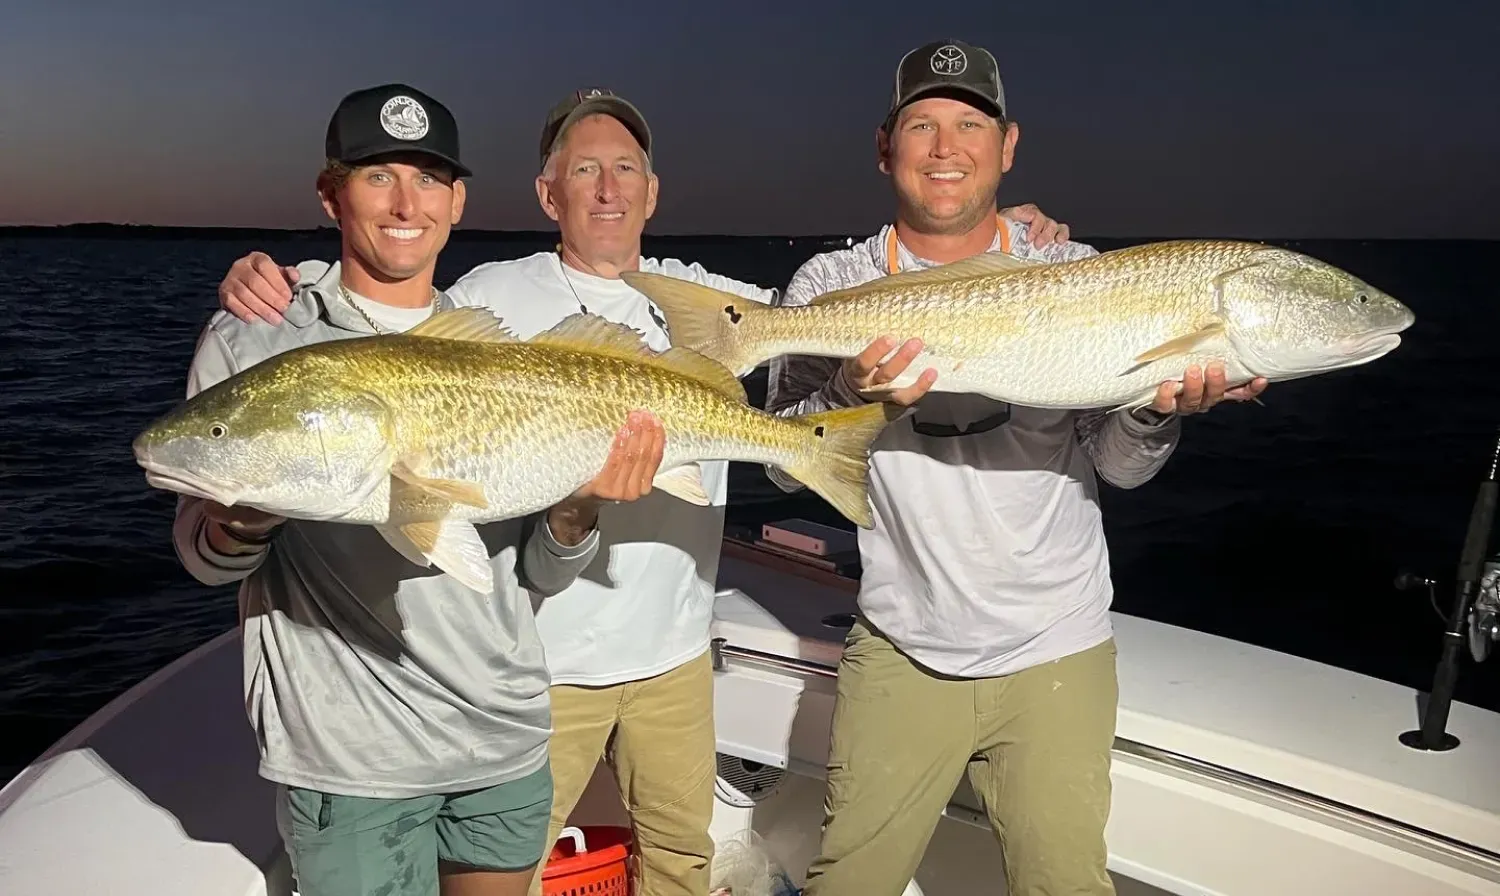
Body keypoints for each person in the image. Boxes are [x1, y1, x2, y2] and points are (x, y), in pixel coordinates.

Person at [211, 88, 1072, 896]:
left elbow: (846, 306)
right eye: (583, 169)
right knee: (519, 860)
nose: (607, 187)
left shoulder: (720, 301)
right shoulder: (488, 293)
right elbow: (396, 327)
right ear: (548, 194)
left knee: (681, 856)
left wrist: (1003, 242)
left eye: (625, 168)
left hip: (677, 656)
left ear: (654, 192)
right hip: (548, 666)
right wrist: (285, 281)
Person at [764, 40, 1268, 896]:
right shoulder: (831, 283)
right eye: (921, 124)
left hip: (1056, 651)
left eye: (970, 123)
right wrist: (850, 390)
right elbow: (781, 467)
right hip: (901, 645)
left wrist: (1151, 410)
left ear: (1008, 146)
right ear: (886, 147)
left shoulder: (1073, 273)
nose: (945, 146)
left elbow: (1120, 470)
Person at [169, 82, 669, 896]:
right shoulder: (262, 331)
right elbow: (204, 558)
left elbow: (536, 576)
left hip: (504, 736)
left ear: (458, 200)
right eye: (376, 175)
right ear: (331, 191)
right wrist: (247, 514)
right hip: (353, 761)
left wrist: (581, 506)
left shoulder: (484, 333)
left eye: (429, 178)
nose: (407, 203)